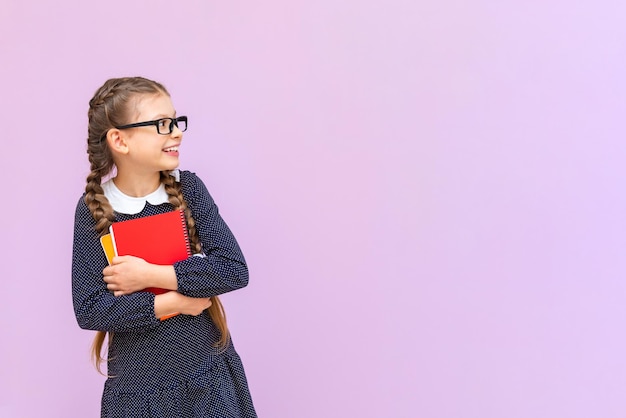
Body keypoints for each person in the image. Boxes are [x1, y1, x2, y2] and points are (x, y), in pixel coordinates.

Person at [71, 76, 257, 417]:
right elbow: (90, 309)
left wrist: (149, 275)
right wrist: (172, 302)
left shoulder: (190, 190)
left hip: (207, 380)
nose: (176, 132)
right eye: (161, 124)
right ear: (119, 140)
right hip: (137, 393)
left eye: (175, 121)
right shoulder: (93, 209)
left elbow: (233, 269)